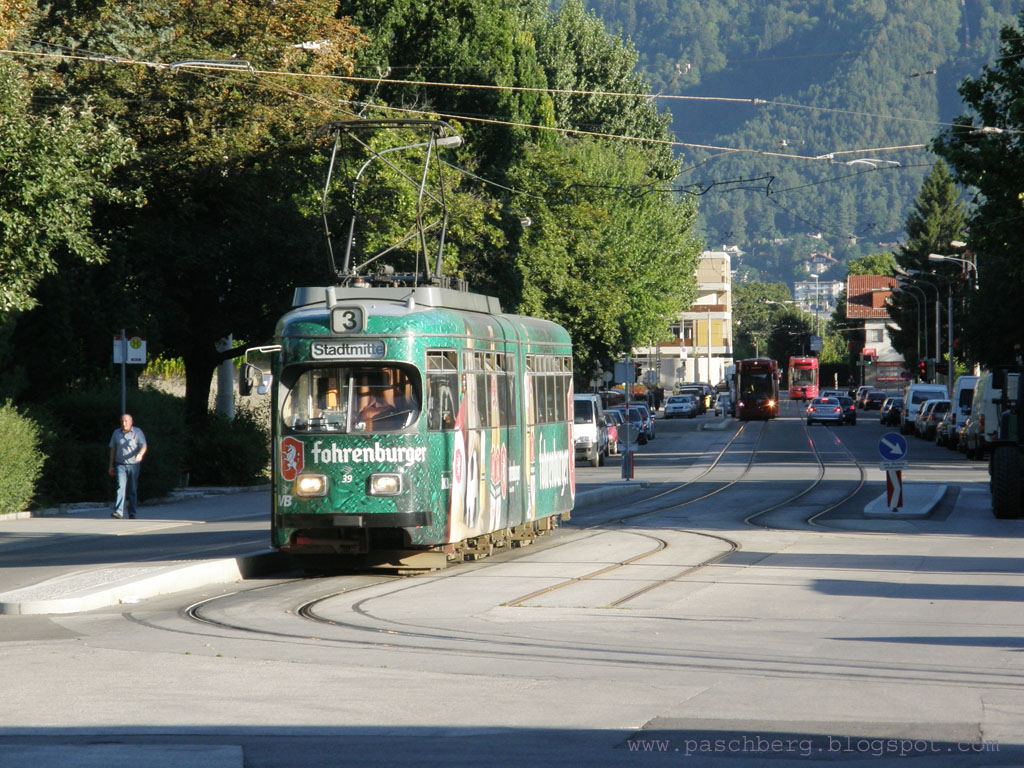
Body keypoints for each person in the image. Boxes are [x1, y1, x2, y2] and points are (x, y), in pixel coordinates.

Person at [108, 413, 147, 519]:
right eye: (122, 421)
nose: (124, 424)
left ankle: (132, 512)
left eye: (126, 421)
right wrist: (111, 465)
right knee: (120, 487)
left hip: (133, 465)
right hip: (120, 464)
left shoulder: (137, 432)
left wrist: (140, 454)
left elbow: (144, 446)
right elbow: (113, 449)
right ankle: (118, 512)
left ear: (131, 422)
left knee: (132, 489)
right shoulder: (116, 433)